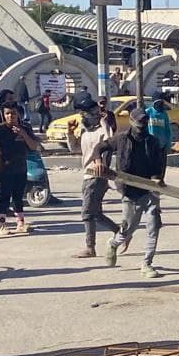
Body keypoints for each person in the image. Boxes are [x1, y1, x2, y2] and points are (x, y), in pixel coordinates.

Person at [90, 108, 166, 278]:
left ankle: (147, 263)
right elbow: (100, 147)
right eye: (138, 122)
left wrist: (156, 179)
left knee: (154, 226)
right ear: (132, 121)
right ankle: (114, 243)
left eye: (144, 122)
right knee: (128, 229)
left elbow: (158, 165)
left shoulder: (152, 142)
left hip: (149, 191)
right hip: (129, 191)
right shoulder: (122, 139)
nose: (141, 125)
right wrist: (98, 162)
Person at [66, 99, 119, 257]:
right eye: (93, 114)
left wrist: (105, 123)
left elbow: (111, 142)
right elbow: (75, 149)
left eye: (98, 113)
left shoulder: (103, 130)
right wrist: (70, 133)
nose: (96, 116)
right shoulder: (85, 131)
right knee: (95, 213)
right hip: (87, 174)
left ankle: (90, 247)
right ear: (83, 115)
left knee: (87, 213)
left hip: (97, 175)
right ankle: (120, 231)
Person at [0, 104, 40, 236]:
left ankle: (20, 222)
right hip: (4, 167)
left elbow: (33, 146)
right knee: (4, 195)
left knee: (18, 196)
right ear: (3, 115)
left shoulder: (25, 128)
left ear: (18, 114)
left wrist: (23, 134)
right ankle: (2, 225)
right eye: (7, 113)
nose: (10, 116)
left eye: (13, 113)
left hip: (20, 166)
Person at [145, 93, 172, 158]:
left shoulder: (164, 114)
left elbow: (168, 130)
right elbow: (144, 128)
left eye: (161, 102)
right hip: (150, 144)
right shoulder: (148, 112)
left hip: (161, 145)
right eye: (158, 102)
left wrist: (168, 145)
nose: (159, 104)